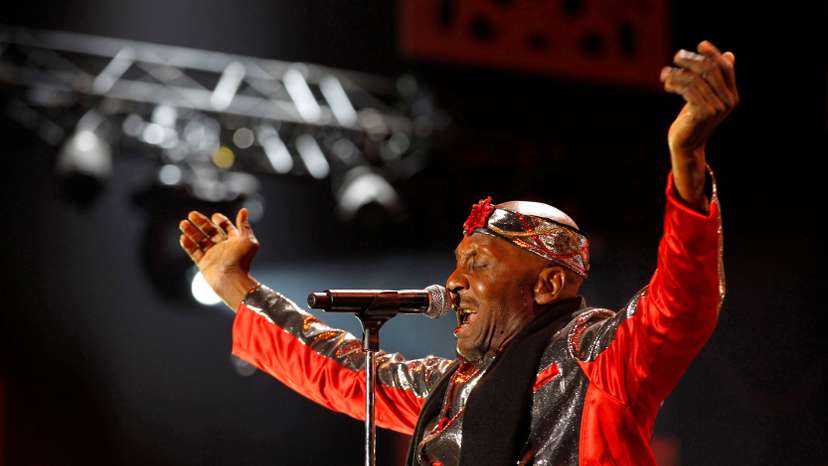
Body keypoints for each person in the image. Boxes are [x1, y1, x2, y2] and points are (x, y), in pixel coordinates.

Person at [178, 40, 738, 465]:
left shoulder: (599, 360)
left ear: (545, 285)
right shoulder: (447, 389)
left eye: (479, 263)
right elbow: (339, 368)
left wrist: (687, 164)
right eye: (457, 261)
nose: (452, 281)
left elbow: (679, 305)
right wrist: (236, 287)